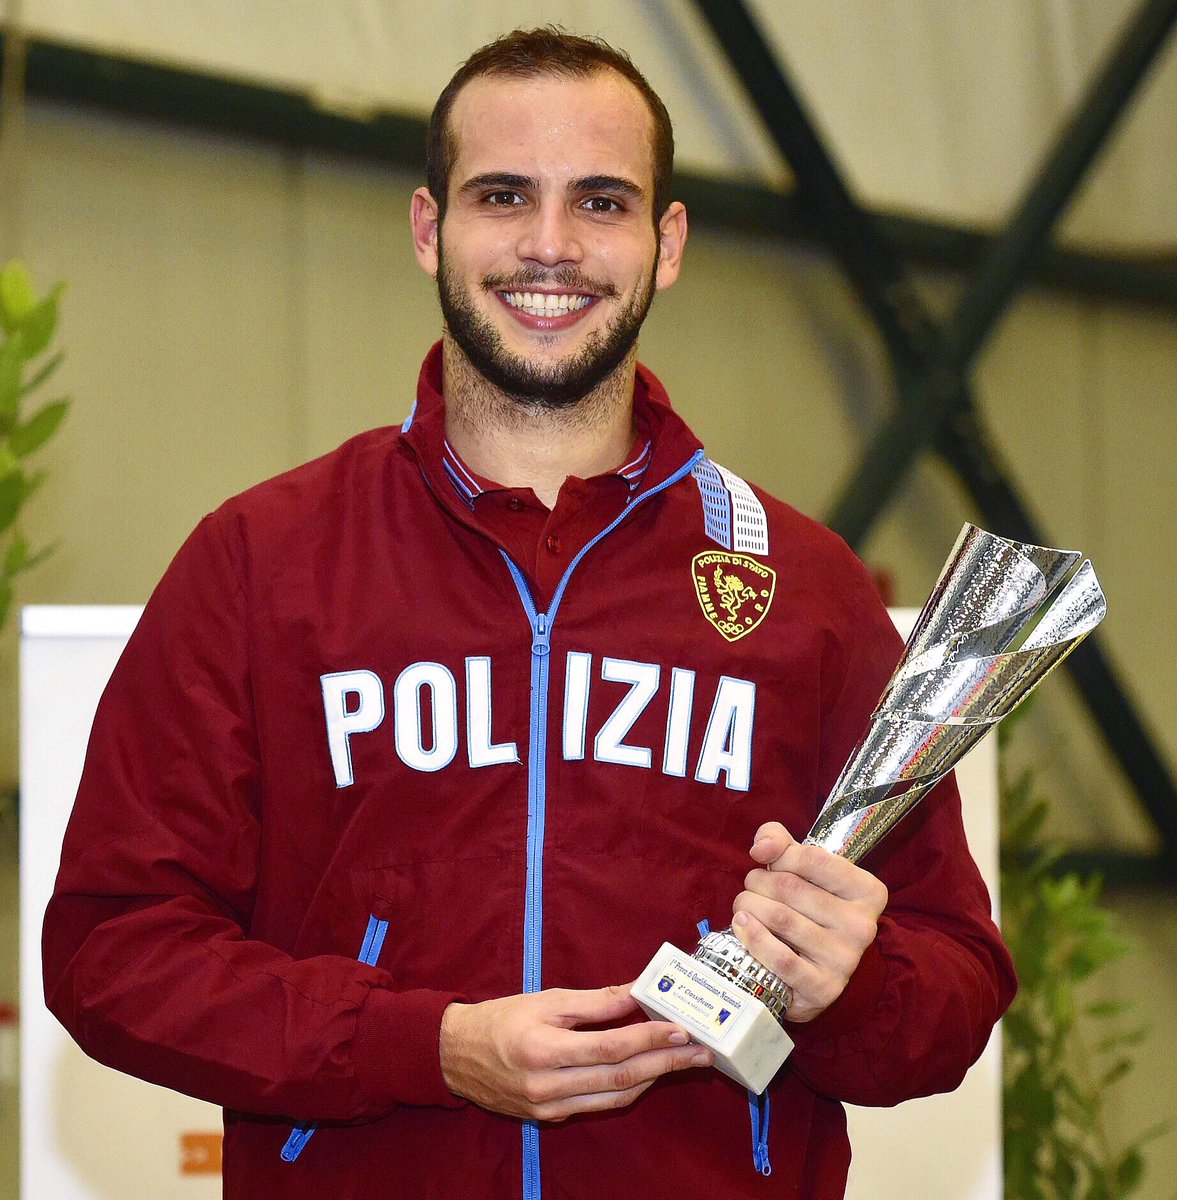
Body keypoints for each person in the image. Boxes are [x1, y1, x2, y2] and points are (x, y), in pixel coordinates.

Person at [43, 27, 1016, 1200]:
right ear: (427, 228)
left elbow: (956, 985)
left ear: (665, 245)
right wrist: (427, 1047)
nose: (550, 247)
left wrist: (850, 985)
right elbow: (112, 950)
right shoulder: (262, 563)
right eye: (503, 195)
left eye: (600, 202)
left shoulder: (808, 593)